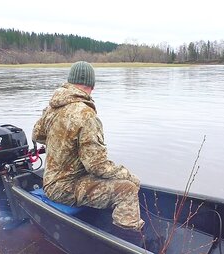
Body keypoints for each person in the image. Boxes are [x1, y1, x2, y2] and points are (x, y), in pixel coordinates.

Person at [32, 61, 145, 233]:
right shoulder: (86, 115)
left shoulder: (53, 107)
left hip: (50, 182)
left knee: (115, 181)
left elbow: (37, 135)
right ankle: (130, 243)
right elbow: (97, 165)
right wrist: (129, 176)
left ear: (70, 82)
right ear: (91, 86)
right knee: (127, 189)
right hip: (65, 189)